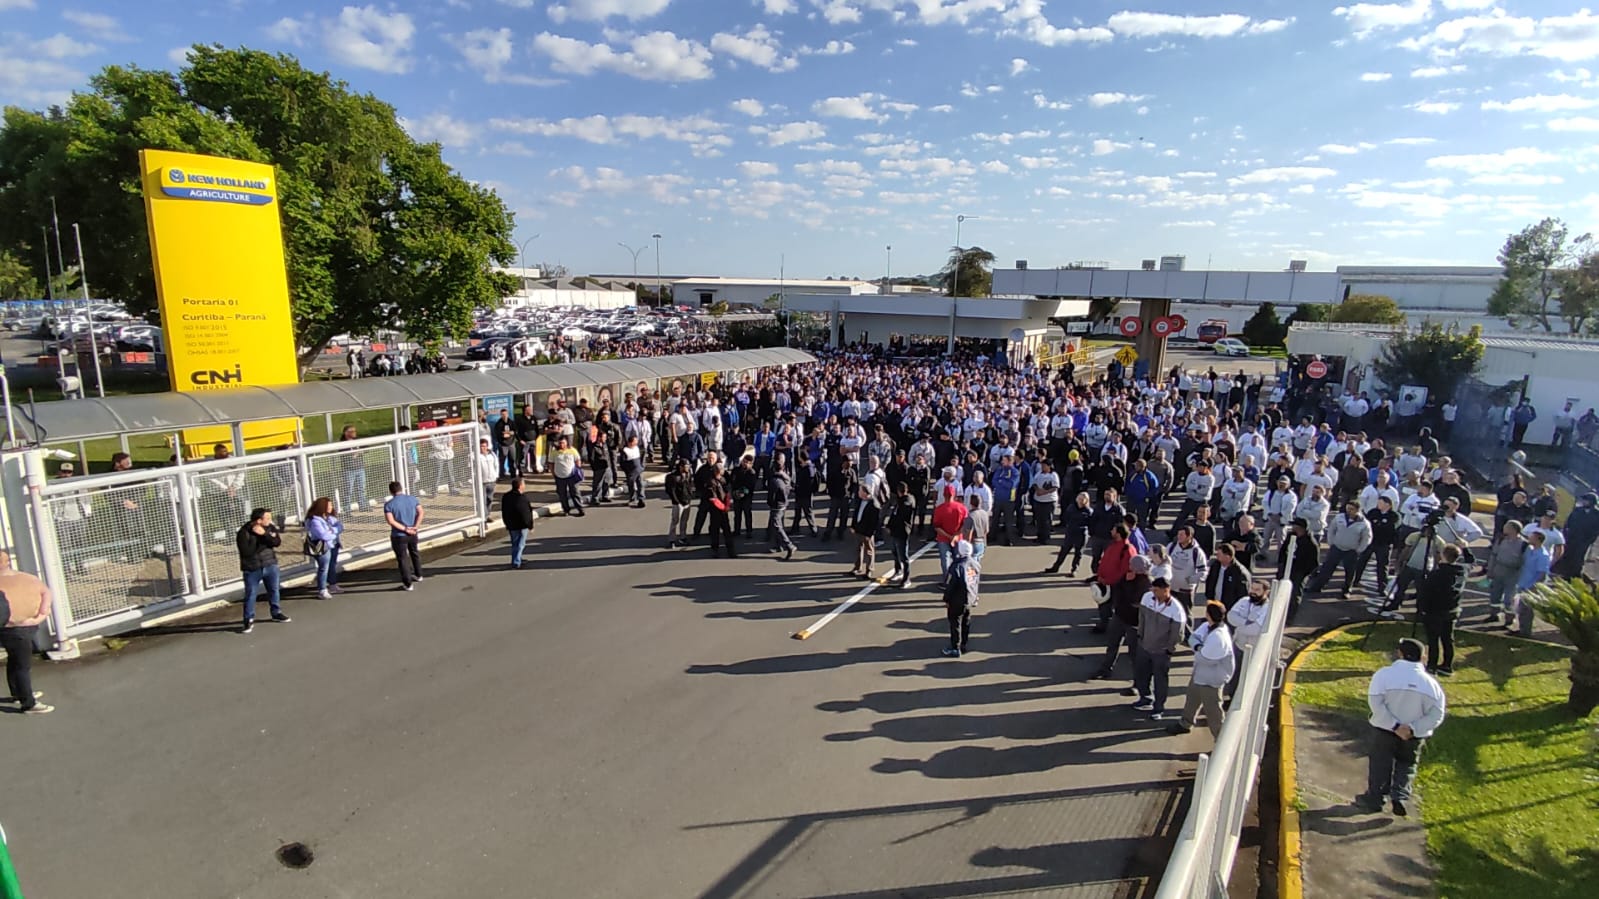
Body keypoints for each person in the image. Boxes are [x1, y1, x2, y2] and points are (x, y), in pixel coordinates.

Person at [1356, 638, 1446, 817]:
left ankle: (1375, 799)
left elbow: (1376, 703)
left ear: (1400, 653)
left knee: (1380, 764)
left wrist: (1395, 725)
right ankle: (1400, 797)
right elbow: (1436, 715)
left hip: (1384, 731)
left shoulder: (1384, 675)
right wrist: (1411, 729)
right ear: (1423, 657)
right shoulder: (1432, 685)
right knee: (1407, 764)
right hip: (1413, 736)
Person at [1168, 600, 1235, 738]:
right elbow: (1193, 637)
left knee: (1213, 711)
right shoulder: (1207, 626)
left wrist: (1197, 647)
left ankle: (1220, 739)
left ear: (1209, 615)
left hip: (1211, 680)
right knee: (1192, 699)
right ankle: (1185, 723)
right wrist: (1198, 647)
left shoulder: (1219, 637)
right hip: (1200, 674)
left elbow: (1205, 658)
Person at [0, 551, 54, 714]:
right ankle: (28, 703)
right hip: (18, 629)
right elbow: (46, 592)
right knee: (22, 666)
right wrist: (41, 615)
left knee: (15, 661)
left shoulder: (22, 578)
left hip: (15, 627)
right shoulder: (26, 577)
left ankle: (19, 693)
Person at [1132, 577, 1187, 719]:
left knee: (1160, 680)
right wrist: (1140, 636)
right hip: (1144, 646)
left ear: (1166, 590)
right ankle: (1145, 698)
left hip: (1161, 652)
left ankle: (1158, 708)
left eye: (1156, 590)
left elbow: (1177, 634)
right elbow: (1142, 618)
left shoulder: (1176, 609)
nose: (1153, 592)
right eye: (1152, 589)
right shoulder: (1147, 598)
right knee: (1141, 674)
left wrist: (1169, 648)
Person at [236, 507, 289, 632]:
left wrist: (264, 534)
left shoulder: (270, 528)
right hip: (252, 568)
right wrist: (262, 540)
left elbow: (276, 542)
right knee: (251, 594)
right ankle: (248, 619)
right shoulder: (244, 532)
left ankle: (276, 612)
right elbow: (247, 551)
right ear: (259, 520)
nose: (270, 520)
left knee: (274, 590)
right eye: (267, 518)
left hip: (270, 564)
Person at [1417, 544, 1466, 675]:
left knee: (1433, 640)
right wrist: (1465, 548)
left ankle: (1432, 665)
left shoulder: (1438, 574)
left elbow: (1427, 593)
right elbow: (1470, 561)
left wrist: (1422, 608)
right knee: (1447, 639)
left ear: (1443, 556)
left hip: (1435, 611)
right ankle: (1447, 665)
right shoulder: (1461, 572)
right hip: (1452, 610)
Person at [1308, 501, 1372, 598]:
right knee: (1326, 568)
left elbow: (1366, 538)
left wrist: (1359, 549)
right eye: (1347, 508)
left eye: (1351, 509)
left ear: (1358, 510)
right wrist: (1331, 542)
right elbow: (1331, 530)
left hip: (1351, 551)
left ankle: (1346, 590)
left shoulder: (1364, 523)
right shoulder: (1339, 517)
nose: (1349, 511)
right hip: (1337, 548)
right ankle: (1316, 587)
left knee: (1350, 571)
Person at [941, 538, 980, 657]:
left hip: (957, 600)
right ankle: (963, 644)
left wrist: (946, 599)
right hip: (969, 598)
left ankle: (955, 647)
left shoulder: (957, 566)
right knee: (966, 622)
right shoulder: (975, 564)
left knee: (955, 623)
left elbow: (950, 585)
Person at [383, 481, 425, 591]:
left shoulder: (389, 505)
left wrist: (405, 529)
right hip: (413, 532)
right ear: (401, 488)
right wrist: (415, 527)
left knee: (402, 559)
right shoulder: (412, 499)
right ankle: (419, 574)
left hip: (399, 535)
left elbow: (391, 521)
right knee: (414, 552)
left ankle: (408, 584)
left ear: (391, 491)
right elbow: (421, 512)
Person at [1510, 529, 1553, 637]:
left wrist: (1534, 587)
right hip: (1523, 583)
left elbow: (1542, 574)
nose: (1529, 538)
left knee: (1527, 611)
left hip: (1531, 587)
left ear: (1538, 539)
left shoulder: (1542, 555)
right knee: (1521, 609)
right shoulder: (1530, 550)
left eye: (1532, 536)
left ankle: (1525, 632)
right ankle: (1522, 629)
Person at [304, 498, 345, 600]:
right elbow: (324, 535)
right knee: (324, 568)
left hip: (334, 545)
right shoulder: (315, 521)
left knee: (332, 565)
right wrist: (333, 533)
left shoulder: (330, 518)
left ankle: (333, 584)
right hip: (323, 548)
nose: (331, 507)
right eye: (329, 505)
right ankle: (322, 589)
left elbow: (340, 526)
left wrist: (333, 530)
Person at [1045, 491, 1092, 576]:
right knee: (1063, 551)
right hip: (1071, 533)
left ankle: (1074, 569)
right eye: (1079, 498)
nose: (1081, 500)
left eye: (1083, 499)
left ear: (1086, 500)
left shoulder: (1089, 511)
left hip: (1081, 534)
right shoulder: (1071, 508)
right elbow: (1067, 517)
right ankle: (1055, 567)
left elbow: (1091, 523)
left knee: (1078, 553)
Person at [1555, 492, 1599, 579]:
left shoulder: (1597, 515)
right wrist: (1565, 533)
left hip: (1583, 541)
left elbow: (1596, 530)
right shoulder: (1577, 510)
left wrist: (1589, 540)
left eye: (1587, 500)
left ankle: (1573, 576)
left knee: (1578, 559)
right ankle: (1561, 574)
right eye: (1584, 500)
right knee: (1567, 555)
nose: (1584, 502)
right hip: (1571, 538)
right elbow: (1568, 522)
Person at [932, 485, 969, 584]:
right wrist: (956, 535)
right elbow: (965, 525)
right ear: (954, 494)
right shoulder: (962, 508)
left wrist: (948, 537)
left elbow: (937, 527)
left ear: (944, 495)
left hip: (943, 538)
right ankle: (959, 581)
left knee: (945, 561)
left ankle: (947, 582)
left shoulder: (939, 509)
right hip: (958, 538)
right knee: (958, 560)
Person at [766, 454, 796, 561]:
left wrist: (771, 502)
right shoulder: (785, 477)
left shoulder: (775, 481)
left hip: (777, 505)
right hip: (783, 505)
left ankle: (789, 545)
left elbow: (773, 494)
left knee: (777, 526)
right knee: (779, 525)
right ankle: (779, 545)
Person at [886, 480, 916, 588]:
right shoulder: (900, 501)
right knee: (895, 552)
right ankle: (898, 571)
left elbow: (899, 516)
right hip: (895, 531)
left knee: (904, 556)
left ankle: (907, 578)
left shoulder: (907, 501)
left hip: (902, 531)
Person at [501, 477, 535, 569]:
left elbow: (504, 511)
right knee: (521, 544)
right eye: (524, 484)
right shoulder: (522, 498)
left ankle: (517, 558)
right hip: (521, 525)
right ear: (520, 486)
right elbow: (526, 513)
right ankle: (516, 561)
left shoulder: (506, 496)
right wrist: (530, 525)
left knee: (515, 543)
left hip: (511, 524)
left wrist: (506, 523)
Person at [849, 484, 881, 579]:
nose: (858, 492)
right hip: (858, 529)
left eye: (860, 491)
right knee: (858, 549)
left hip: (867, 532)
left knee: (869, 551)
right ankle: (857, 567)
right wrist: (853, 526)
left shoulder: (874, 504)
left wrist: (869, 534)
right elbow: (856, 513)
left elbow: (874, 522)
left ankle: (869, 569)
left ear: (865, 493)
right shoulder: (859, 500)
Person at [705, 466, 738, 559]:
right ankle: (715, 550)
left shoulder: (723, 480)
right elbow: (713, 499)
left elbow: (727, 493)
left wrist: (727, 505)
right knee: (715, 531)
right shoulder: (711, 482)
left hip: (723, 511)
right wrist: (724, 507)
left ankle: (731, 550)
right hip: (715, 511)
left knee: (727, 531)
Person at [549, 436, 584, 517]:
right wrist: (553, 474)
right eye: (560, 443)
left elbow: (578, 459)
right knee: (562, 494)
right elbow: (551, 463)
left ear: (566, 443)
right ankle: (566, 510)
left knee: (575, 493)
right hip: (559, 477)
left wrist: (578, 469)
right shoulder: (554, 452)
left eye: (563, 443)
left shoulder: (572, 450)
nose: (561, 445)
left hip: (572, 476)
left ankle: (580, 509)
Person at [665, 458, 693, 549]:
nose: (687, 468)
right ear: (681, 467)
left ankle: (682, 537)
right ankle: (672, 540)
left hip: (687, 501)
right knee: (675, 521)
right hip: (678, 503)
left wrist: (690, 497)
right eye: (686, 466)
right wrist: (676, 501)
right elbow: (671, 491)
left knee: (684, 521)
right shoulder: (673, 477)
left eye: (688, 466)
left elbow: (690, 486)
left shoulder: (688, 475)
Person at [475, 437, 500, 521]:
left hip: (491, 481)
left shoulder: (492, 454)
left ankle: (488, 514)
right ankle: (483, 518)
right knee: (482, 501)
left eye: (485, 446)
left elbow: (496, 465)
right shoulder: (475, 456)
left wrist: (496, 476)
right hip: (482, 482)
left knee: (490, 499)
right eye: (481, 446)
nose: (483, 448)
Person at [619, 435, 646, 508]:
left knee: (640, 484)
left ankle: (641, 499)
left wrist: (642, 466)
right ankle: (632, 498)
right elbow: (622, 463)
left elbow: (642, 455)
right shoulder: (625, 450)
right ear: (630, 443)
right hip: (631, 470)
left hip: (639, 469)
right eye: (635, 441)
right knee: (631, 484)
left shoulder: (637, 448)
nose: (637, 442)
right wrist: (627, 471)